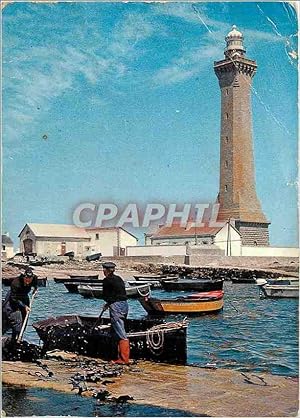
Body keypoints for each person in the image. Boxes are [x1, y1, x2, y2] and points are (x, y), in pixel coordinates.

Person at [102, 262, 130, 364]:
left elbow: (106, 295)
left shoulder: (106, 280)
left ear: (106, 270)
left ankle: (124, 359)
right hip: (124, 305)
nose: (103, 271)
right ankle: (117, 356)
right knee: (117, 330)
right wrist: (108, 303)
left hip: (116, 306)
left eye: (104, 270)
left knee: (120, 331)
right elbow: (120, 293)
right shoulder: (119, 278)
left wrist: (108, 302)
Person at [2, 267, 38, 342]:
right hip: (12, 299)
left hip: (24, 297)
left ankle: (19, 337)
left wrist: (35, 289)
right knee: (15, 319)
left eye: (30, 280)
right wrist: (24, 306)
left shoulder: (34, 279)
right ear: (24, 277)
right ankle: (14, 338)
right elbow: (14, 299)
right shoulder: (16, 283)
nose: (28, 282)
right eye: (26, 279)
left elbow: (35, 283)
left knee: (24, 319)